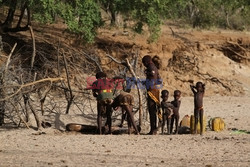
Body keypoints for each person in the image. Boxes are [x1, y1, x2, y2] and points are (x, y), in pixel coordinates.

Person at [142, 55, 162, 135]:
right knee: (153, 110)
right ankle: (154, 129)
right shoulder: (153, 67)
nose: (144, 65)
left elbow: (152, 78)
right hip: (154, 90)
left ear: (146, 62)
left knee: (152, 110)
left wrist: (148, 85)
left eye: (144, 63)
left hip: (152, 91)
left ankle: (153, 129)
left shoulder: (151, 67)